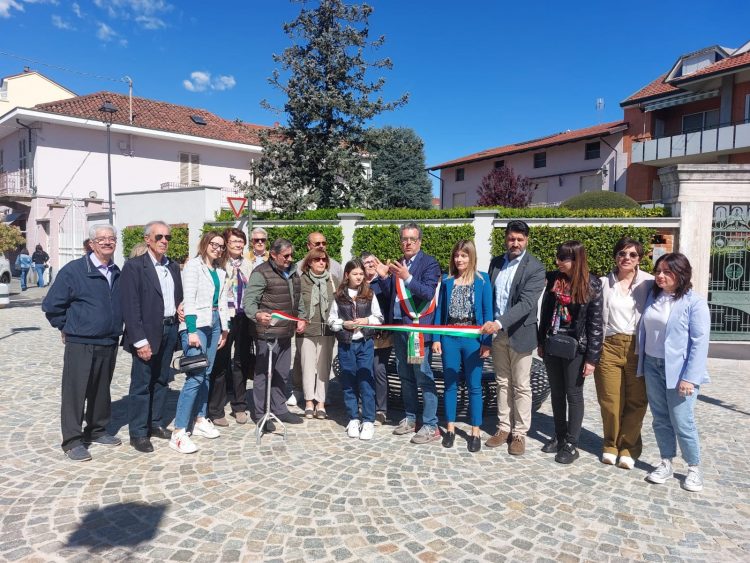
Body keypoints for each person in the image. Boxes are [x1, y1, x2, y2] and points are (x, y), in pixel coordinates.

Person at [42, 225, 122, 461]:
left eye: (111, 239)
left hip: (109, 339)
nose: (107, 242)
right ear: (91, 244)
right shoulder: (74, 271)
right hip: (81, 342)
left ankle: (97, 430)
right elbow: (51, 306)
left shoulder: (116, 271)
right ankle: (72, 441)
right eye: (102, 239)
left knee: (101, 389)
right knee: (75, 392)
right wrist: (66, 327)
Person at [638, 253, 710, 492]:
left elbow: (700, 343)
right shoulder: (653, 296)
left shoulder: (694, 303)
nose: (660, 276)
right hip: (652, 365)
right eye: (658, 270)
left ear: (681, 275)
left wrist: (690, 377)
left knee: (682, 420)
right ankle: (666, 462)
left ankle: (694, 468)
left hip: (679, 371)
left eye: (667, 272)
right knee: (660, 418)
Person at [481, 220, 546, 455]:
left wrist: (498, 323)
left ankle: (519, 433)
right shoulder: (497, 263)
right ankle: (503, 428)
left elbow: (527, 304)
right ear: (506, 239)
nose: (515, 243)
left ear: (526, 240)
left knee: (521, 385)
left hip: (520, 333)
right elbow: (489, 295)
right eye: (511, 238)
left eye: (519, 239)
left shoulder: (535, 268)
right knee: (502, 382)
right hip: (497, 335)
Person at [374, 223, 442, 444]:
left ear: (420, 241)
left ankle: (431, 424)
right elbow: (393, 296)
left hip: (418, 331)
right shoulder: (398, 263)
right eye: (404, 239)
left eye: (412, 239)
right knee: (405, 376)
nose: (408, 243)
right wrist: (385, 279)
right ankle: (411, 418)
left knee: (423, 376)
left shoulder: (429, 263)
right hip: (400, 330)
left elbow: (428, 292)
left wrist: (407, 277)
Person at [121, 221, 184, 454]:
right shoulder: (135, 267)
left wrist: (181, 309)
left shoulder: (173, 267)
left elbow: (178, 298)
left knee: (161, 380)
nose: (164, 241)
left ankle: (155, 422)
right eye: (159, 237)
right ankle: (138, 432)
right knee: (141, 383)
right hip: (146, 334)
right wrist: (139, 341)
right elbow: (130, 307)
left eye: (167, 237)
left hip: (169, 329)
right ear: (148, 239)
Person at [538, 241, 603, 464]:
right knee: (556, 393)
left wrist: (592, 358)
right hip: (553, 342)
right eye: (558, 257)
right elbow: (545, 312)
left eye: (563, 258)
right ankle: (559, 435)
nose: (558, 262)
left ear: (576, 260)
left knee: (573, 395)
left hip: (577, 347)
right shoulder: (554, 280)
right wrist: (541, 341)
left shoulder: (591, 284)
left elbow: (595, 324)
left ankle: (572, 443)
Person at [595, 237, 654, 469]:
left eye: (632, 255)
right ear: (615, 257)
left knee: (637, 401)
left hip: (637, 347)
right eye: (622, 253)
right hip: (608, 345)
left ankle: (629, 447)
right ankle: (610, 444)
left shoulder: (649, 282)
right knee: (610, 400)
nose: (626, 258)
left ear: (639, 258)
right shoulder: (602, 283)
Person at [170, 231, 230, 454]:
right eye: (214, 244)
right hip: (197, 323)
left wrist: (225, 329)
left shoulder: (221, 270)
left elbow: (222, 301)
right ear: (205, 244)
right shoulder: (193, 266)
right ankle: (178, 432)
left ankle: (200, 418)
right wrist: (192, 330)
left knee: (207, 372)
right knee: (195, 376)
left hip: (214, 322)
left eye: (221, 246)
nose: (217, 248)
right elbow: (190, 297)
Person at [433, 240, 492, 452]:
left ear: (472, 257)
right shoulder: (448, 281)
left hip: (473, 339)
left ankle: (475, 430)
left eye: (464, 256)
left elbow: (488, 313)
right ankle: (450, 428)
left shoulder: (483, 280)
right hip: (450, 337)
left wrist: (487, 343)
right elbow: (440, 311)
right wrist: (438, 338)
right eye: (457, 255)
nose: (460, 259)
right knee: (450, 384)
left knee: (474, 385)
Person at [243, 238, 307, 428]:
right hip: (267, 332)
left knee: (281, 373)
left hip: (286, 331)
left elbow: (298, 298)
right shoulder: (260, 272)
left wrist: (301, 317)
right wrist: (257, 314)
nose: (290, 258)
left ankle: (279, 409)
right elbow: (249, 301)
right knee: (264, 374)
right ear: (273, 255)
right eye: (285, 255)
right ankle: (261, 414)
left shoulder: (294, 272)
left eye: (291, 255)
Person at [328, 258, 383, 440]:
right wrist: (344, 324)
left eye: (361, 274)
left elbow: (379, 318)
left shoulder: (369, 294)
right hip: (346, 344)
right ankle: (353, 418)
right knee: (349, 381)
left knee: (366, 380)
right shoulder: (339, 296)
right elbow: (331, 321)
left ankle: (368, 420)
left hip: (365, 343)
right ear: (347, 275)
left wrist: (367, 321)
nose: (359, 277)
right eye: (355, 274)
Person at [207, 228, 254, 426]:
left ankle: (239, 405)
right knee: (221, 361)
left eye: (241, 241)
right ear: (226, 243)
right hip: (223, 317)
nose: (238, 244)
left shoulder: (249, 264)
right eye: (234, 241)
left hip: (243, 316)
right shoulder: (219, 263)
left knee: (241, 360)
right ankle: (216, 409)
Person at [297, 248, 338, 419]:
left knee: (323, 367)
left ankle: (321, 402)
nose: (322, 262)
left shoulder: (333, 280)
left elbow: (339, 303)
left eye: (324, 260)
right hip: (306, 330)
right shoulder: (301, 280)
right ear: (310, 262)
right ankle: (308, 401)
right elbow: (296, 303)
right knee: (307, 366)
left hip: (327, 330)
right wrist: (299, 318)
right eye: (317, 259)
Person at [361, 252, 391, 426]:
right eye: (367, 262)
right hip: (362, 334)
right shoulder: (358, 282)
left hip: (382, 335)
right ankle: (364, 405)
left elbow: (390, 298)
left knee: (378, 370)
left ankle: (381, 410)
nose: (371, 264)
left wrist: (384, 276)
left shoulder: (382, 281)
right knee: (364, 369)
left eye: (373, 261)